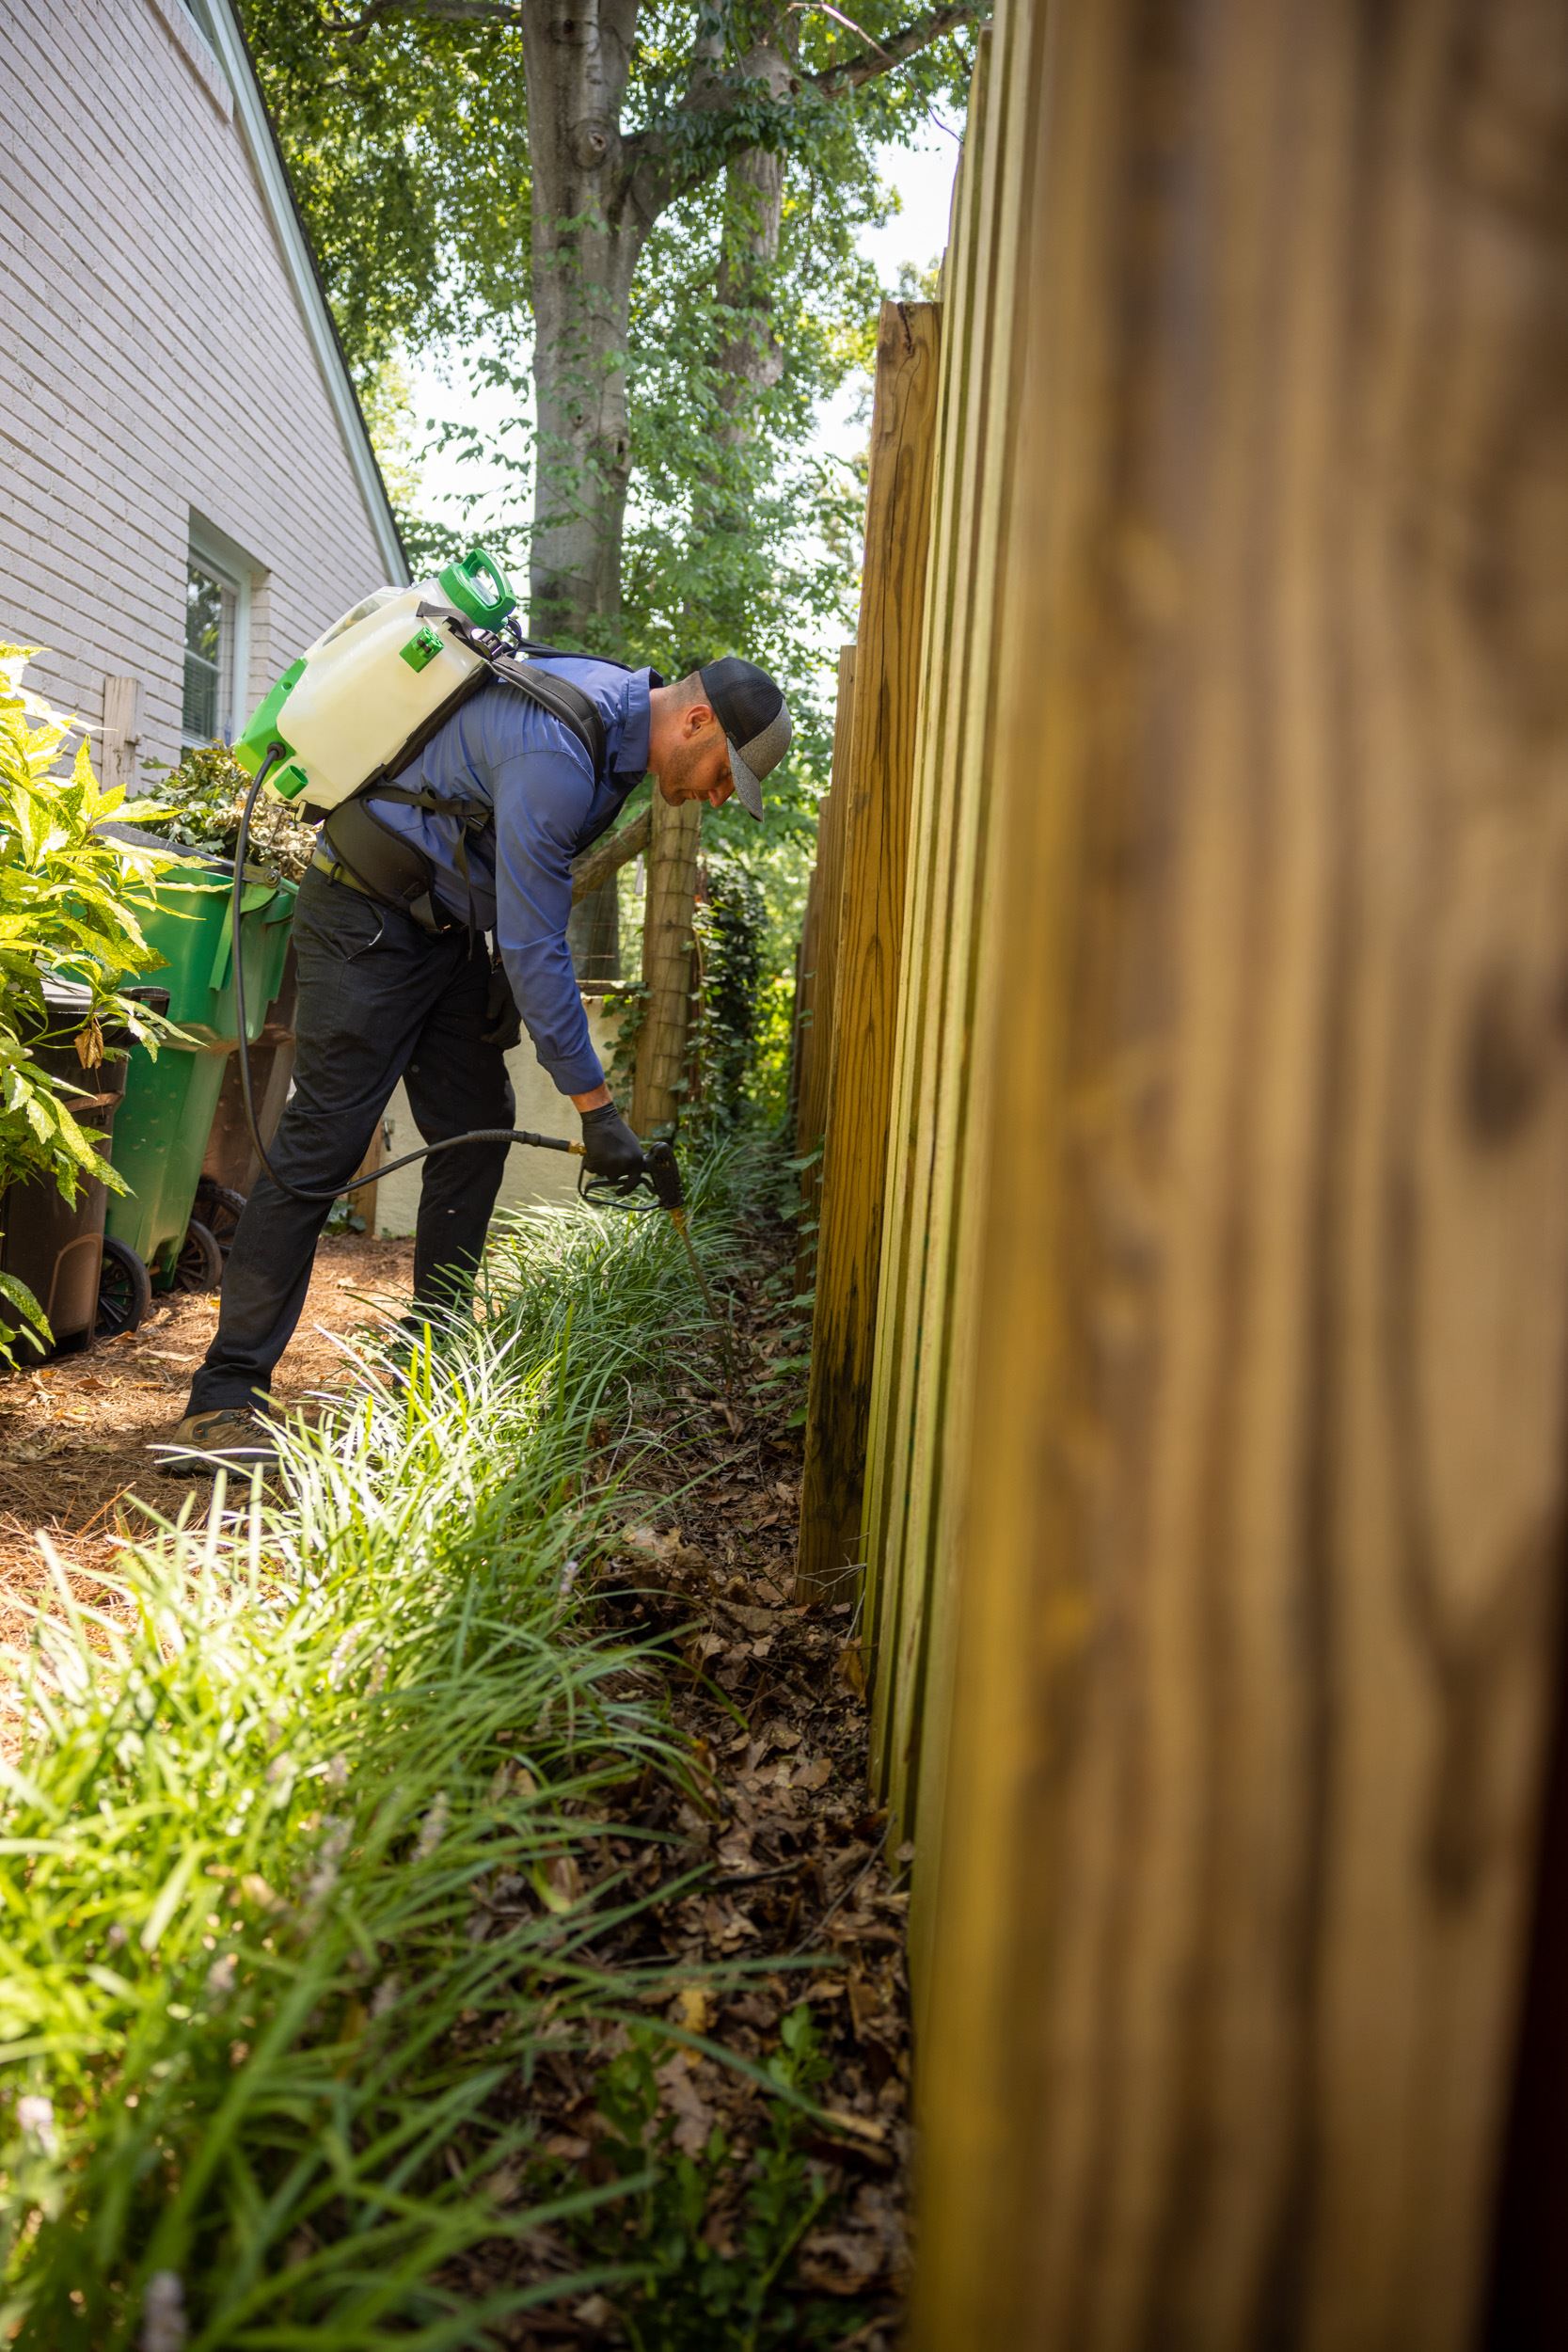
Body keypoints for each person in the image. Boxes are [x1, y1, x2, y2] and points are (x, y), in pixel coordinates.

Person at [165, 650, 791, 1469]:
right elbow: (537, 947)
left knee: (478, 1125)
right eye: (720, 775)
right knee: (322, 1140)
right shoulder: (560, 753)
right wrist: (596, 1111)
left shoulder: (612, 741)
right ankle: (223, 1397)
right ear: (698, 720)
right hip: (363, 913)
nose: (714, 794)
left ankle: (430, 1358)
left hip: (443, 929)